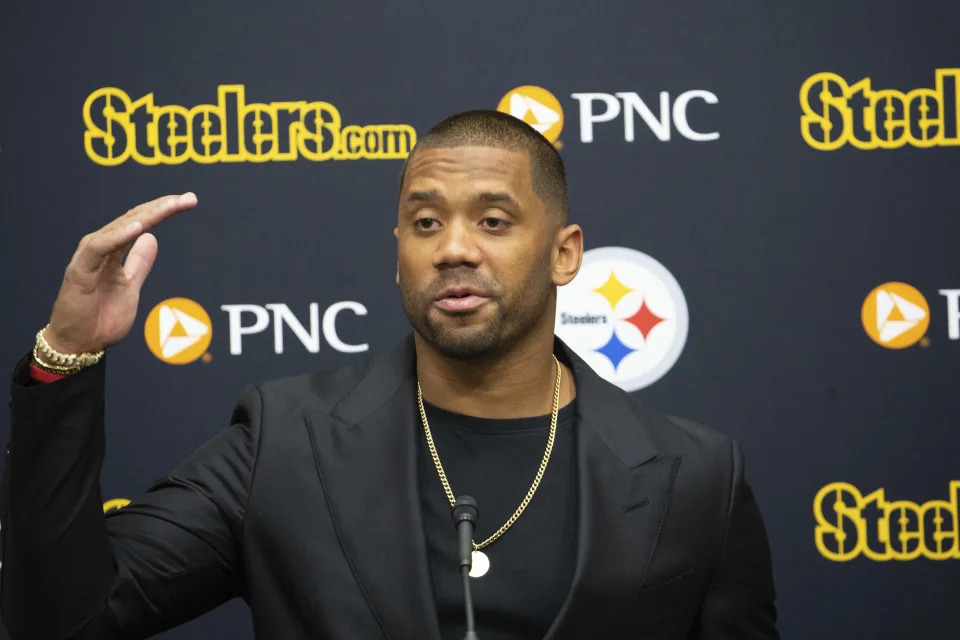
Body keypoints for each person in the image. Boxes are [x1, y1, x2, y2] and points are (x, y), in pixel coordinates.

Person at [1, 110, 778, 639]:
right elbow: (65, 619)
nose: (454, 249)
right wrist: (67, 354)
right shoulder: (283, 445)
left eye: (494, 220)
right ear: (398, 249)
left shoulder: (696, 475)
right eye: (426, 221)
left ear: (565, 252)